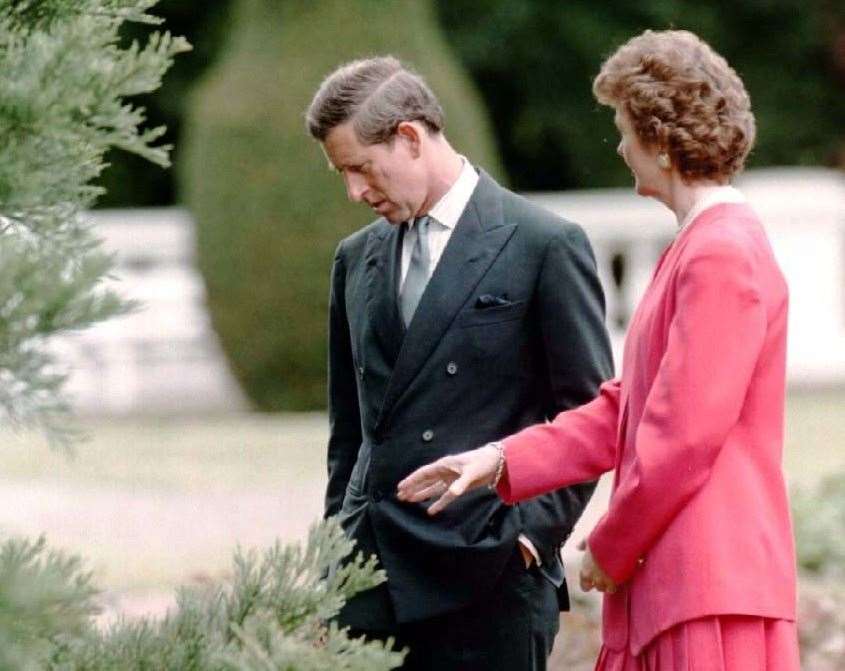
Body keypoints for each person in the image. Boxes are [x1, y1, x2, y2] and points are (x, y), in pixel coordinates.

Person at [398, 30, 800, 670]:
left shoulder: (721, 252)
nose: (619, 146)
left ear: (662, 141)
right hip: (682, 587)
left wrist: (610, 548)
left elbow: (682, 437)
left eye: (624, 128)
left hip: (708, 591)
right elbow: (627, 409)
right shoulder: (696, 247)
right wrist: (499, 460)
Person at [305, 56, 613, 670]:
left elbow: (589, 415)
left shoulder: (543, 244)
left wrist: (529, 538)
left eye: (361, 169)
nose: (355, 192)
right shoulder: (354, 258)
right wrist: (334, 552)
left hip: (489, 579)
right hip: (369, 578)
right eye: (342, 174)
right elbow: (350, 430)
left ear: (410, 138)